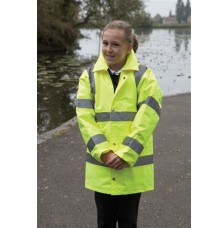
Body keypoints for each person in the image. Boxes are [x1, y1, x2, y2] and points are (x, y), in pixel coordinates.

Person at [76, 20, 162, 228]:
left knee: (128, 222)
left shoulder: (144, 76)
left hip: (131, 167)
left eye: (115, 44)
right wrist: (103, 152)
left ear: (128, 46)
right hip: (102, 165)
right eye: (105, 43)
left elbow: (147, 118)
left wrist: (125, 153)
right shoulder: (89, 76)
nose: (108, 49)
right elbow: (84, 117)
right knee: (104, 222)